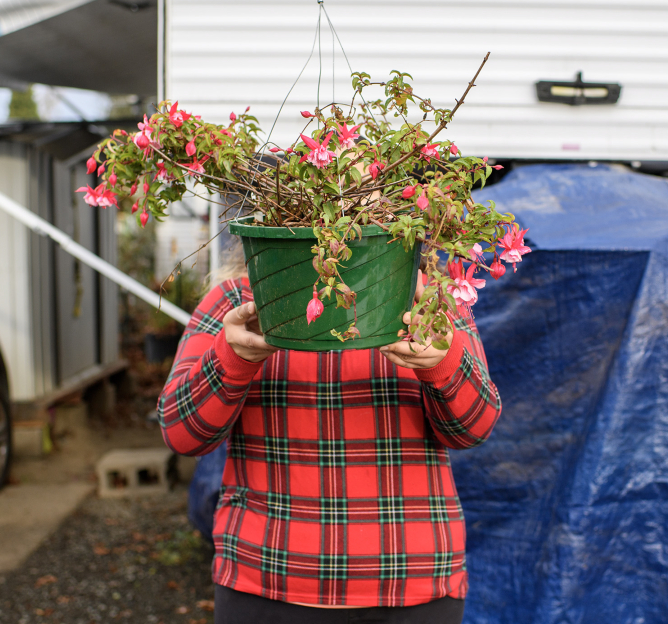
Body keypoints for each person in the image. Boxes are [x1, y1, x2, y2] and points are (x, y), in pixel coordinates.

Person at [157, 265, 501, 624]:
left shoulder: (429, 297)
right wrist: (232, 357)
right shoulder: (238, 300)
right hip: (268, 583)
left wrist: (444, 363)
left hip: (410, 582)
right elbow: (181, 432)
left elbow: (475, 427)